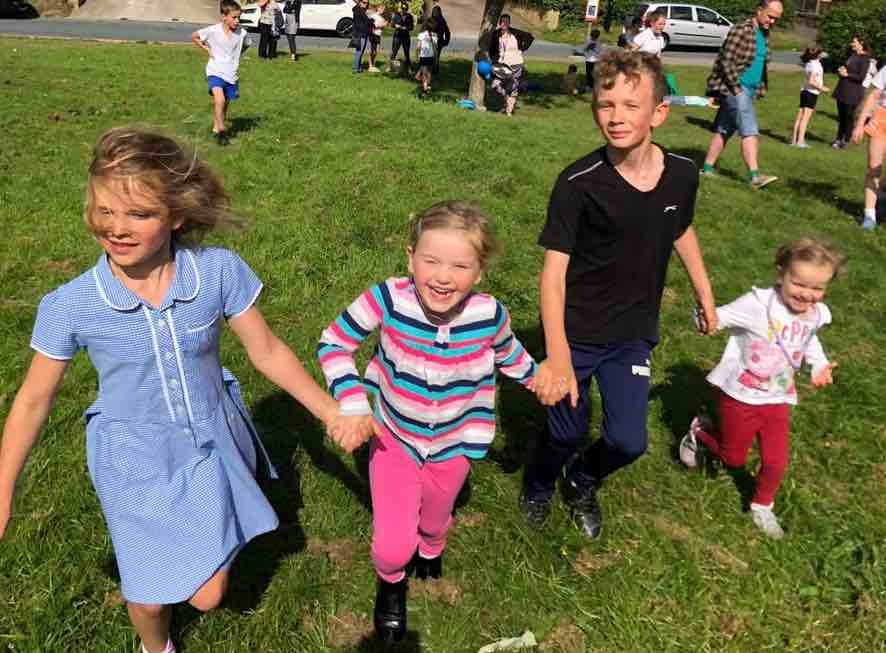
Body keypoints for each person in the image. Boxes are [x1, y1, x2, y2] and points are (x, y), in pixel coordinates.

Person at [0, 127, 345, 653]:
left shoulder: (216, 274)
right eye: (104, 211)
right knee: (151, 595)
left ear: (177, 215)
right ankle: (154, 645)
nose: (116, 228)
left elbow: (268, 351)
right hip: (128, 459)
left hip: (208, 443)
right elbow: (32, 400)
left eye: (138, 215)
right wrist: (3, 489)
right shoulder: (70, 304)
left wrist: (330, 412)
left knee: (207, 596)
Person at [317, 201, 562, 642]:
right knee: (394, 543)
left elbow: (510, 355)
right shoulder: (388, 299)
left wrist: (540, 377)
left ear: (480, 272)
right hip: (394, 438)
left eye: (460, 265)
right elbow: (334, 342)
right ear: (410, 257)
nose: (444, 276)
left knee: (435, 517)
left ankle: (432, 548)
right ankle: (391, 586)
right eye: (430, 261)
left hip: (456, 440)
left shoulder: (489, 315)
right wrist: (353, 403)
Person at [522, 50, 718, 539]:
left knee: (629, 441)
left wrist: (705, 294)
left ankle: (582, 479)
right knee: (564, 431)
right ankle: (539, 483)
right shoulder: (577, 184)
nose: (616, 117)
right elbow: (553, 275)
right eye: (606, 104)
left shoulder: (682, 174)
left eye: (632, 105)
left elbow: (681, 229)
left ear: (659, 112)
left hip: (632, 332)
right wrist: (559, 355)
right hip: (577, 333)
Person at [680, 238, 843, 539]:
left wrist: (819, 365)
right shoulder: (758, 304)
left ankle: (762, 505)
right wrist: (704, 319)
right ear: (781, 274)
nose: (807, 295)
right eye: (799, 283)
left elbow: (810, 339)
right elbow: (719, 317)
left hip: (778, 399)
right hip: (740, 398)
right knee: (733, 459)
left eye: (818, 289)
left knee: (776, 460)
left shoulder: (814, 314)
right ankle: (699, 433)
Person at [700, 0, 783, 190]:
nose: (772, 22)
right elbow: (726, 61)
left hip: (750, 90)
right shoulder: (741, 30)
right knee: (750, 130)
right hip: (736, 88)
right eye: (770, 16)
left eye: (776, 19)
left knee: (724, 129)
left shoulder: (764, 33)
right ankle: (755, 176)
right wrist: (736, 89)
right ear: (759, 10)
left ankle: (706, 168)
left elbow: (759, 62)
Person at [191, 0, 251, 146]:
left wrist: (236, 56)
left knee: (225, 104)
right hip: (215, 70)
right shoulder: (213, 30)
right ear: (224, 17)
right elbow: (194, 36)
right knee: (219, 100)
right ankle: (222, 132)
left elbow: (247, 44)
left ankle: (216, 127)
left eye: (239, 18)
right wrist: (207, 49)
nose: (237, 21)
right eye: (234, 17)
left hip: (231, 73)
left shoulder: (242, 33)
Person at [851, 63, 886, 231]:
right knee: (874, 167)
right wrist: (860, 124)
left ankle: (882, 197)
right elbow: (874, 95)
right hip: (882, 120)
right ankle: (870, 215)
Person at [488, 14, 534, 116]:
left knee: (513, 89)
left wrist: (522, 49)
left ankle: (509, 112)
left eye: (507, 21)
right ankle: (507, 100)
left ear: (509, 23)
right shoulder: (495, 35)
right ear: (500, 23)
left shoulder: (515, 33)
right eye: (503, 21)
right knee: (496, 85)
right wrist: (495, 60)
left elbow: (530, 37)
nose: (505, 23)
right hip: (502, 66)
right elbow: (491, 50)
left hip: (516, 65)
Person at [832, 35, 871, 150]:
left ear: (861, 43)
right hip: (842, 89)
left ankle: (846, 140)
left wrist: (847, 75)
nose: (851, 44)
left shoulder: (865, 58)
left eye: (854, 42)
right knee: (842, 117)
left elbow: (861, 77)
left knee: (849, 117)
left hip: (852, 92)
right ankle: (838, 138)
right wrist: (841, 70)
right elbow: (845, 67)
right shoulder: (852, 55)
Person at [790, 46, 828, 148]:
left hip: (804, 91)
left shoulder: (809, 63)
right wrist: (822, 88)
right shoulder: (816, 66)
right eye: (821, 52)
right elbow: (812, 81)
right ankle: (800, 142)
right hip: (811, 93)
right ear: (818, 55)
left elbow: (823, 55)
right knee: (805, 118)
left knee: (800, 117)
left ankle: (794, 141)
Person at [389, 2, 414, 74]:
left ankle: (409, 68)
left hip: (405, 36)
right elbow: (392, 24)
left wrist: (405, 28)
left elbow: (411, 27)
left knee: (407, 53)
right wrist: (395, 25)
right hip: (397, 36)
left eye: (405, 9)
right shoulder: (397, 15)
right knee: (394, 52)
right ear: (401, 8)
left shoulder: (409, 16)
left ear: (407, 9)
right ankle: (391, 67)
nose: (404, 10)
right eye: (403, 9)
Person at [414, 19, 437, 96]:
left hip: (423, 56)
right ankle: (428, 87)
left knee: (424, 74)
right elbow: (435, 48)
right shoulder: (434, 36)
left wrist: (416, 56)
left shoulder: (421, 35)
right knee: (429, 72)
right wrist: (436, 58)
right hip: (431, 57)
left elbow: (418, 47)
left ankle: (425, 90)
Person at [429, 0, 450, 73]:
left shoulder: (442, 20)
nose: (435, 13)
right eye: (434, 12)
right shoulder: (430, 20)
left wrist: (446, 41)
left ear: (439, 12)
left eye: (437, 12)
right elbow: (425, 30)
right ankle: (432, 70)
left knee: (436, 56)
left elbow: (447, 31)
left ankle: (435, 70)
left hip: (439, 41)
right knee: (431, 56)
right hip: (430, 41)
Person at [351, 0, 371, 73]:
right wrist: (370, 20)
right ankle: (355, 68)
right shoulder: (359, 11)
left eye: (367, 3)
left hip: (361, 34)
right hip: (360, 34)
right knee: (358, 52)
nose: (366, 4)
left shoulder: (360, 10)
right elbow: (362, 23)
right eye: (364, 2)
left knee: (360, 52)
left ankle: (358, 67)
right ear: (360, 3)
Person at [368, 3, 387, 73]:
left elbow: (381, 28)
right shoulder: (374, 16)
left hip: (378, 35)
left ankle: (373, 65)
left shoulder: (382, 18)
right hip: (373, 35)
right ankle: (370, 66)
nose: (383, 10)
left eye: (384, 9)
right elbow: (371, 26)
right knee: (372, 51)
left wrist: (383, 26)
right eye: (382, 9)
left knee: (376, 51)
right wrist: (382, 25)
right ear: (378, 8)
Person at [583, 27, 602, 92]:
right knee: (588, 73)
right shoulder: (588, 40)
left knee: (594, 73)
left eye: (595, 37)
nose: (593, 38)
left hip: (595, 59)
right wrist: (588, 47)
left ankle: (594, 86)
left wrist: (594, 48)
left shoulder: (599, 41)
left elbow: (599, 51)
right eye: (593, 36)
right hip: (588, 59)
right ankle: (589, 86)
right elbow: (584, 49)